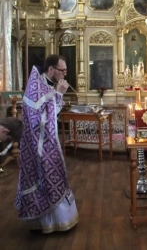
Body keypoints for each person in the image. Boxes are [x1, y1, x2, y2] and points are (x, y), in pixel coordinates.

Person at [15, 54, 79, 233]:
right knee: (44, 178)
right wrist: (58, 94)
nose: (64, 74)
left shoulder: (45, 84)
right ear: (51, 69)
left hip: (47, 142)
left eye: (66, 70)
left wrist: (57, 94)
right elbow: (40, 120)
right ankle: (45, 223)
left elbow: (50, 113)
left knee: (55, 175)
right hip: (38, 145)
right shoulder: (35, 87)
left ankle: (57, 221)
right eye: (62, 70)